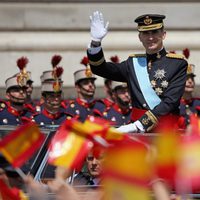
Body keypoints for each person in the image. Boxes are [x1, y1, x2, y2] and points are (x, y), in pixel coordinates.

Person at [87, 11, 188, 133]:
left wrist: (139, 125)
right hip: (137, 134)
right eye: (145, 33)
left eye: (155, 32)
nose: (150, 37)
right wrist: (95, 43)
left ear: (164, 34)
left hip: (165, 133)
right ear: (140, 37)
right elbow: (100, 68)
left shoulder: (177, 64)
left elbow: (170, 102)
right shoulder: (133, 63)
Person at [32, 62, 73, 126]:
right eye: (52, 96)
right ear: (44, 98)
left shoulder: (69, 120)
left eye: (58, 96)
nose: (56, 99)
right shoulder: (35, 121)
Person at [0, 57, 34, 125]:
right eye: (16, 90)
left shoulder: (31, 116)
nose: (21, 92)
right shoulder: (1, 115)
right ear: (7, 95)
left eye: (24, 89)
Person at [66, 56, 97, 122]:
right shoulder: (70, 109)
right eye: (86, 83)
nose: (91, 85)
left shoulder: (101, 107)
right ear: (78, 87)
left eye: (92, 82)